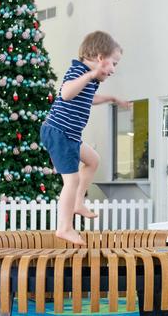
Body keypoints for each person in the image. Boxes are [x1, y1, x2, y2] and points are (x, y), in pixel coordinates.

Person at [41, 31, 129, 245]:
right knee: (71, 180)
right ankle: (64, 227)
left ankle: (78, 202)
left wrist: (110, 98)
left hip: (69, 135)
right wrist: (90, 75)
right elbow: (66, 93)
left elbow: (87, 98)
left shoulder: (89, 79)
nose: (113, 70)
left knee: (93, 160)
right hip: (60, 133)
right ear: (100, 58)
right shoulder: (79, 71)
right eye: (113, 63)